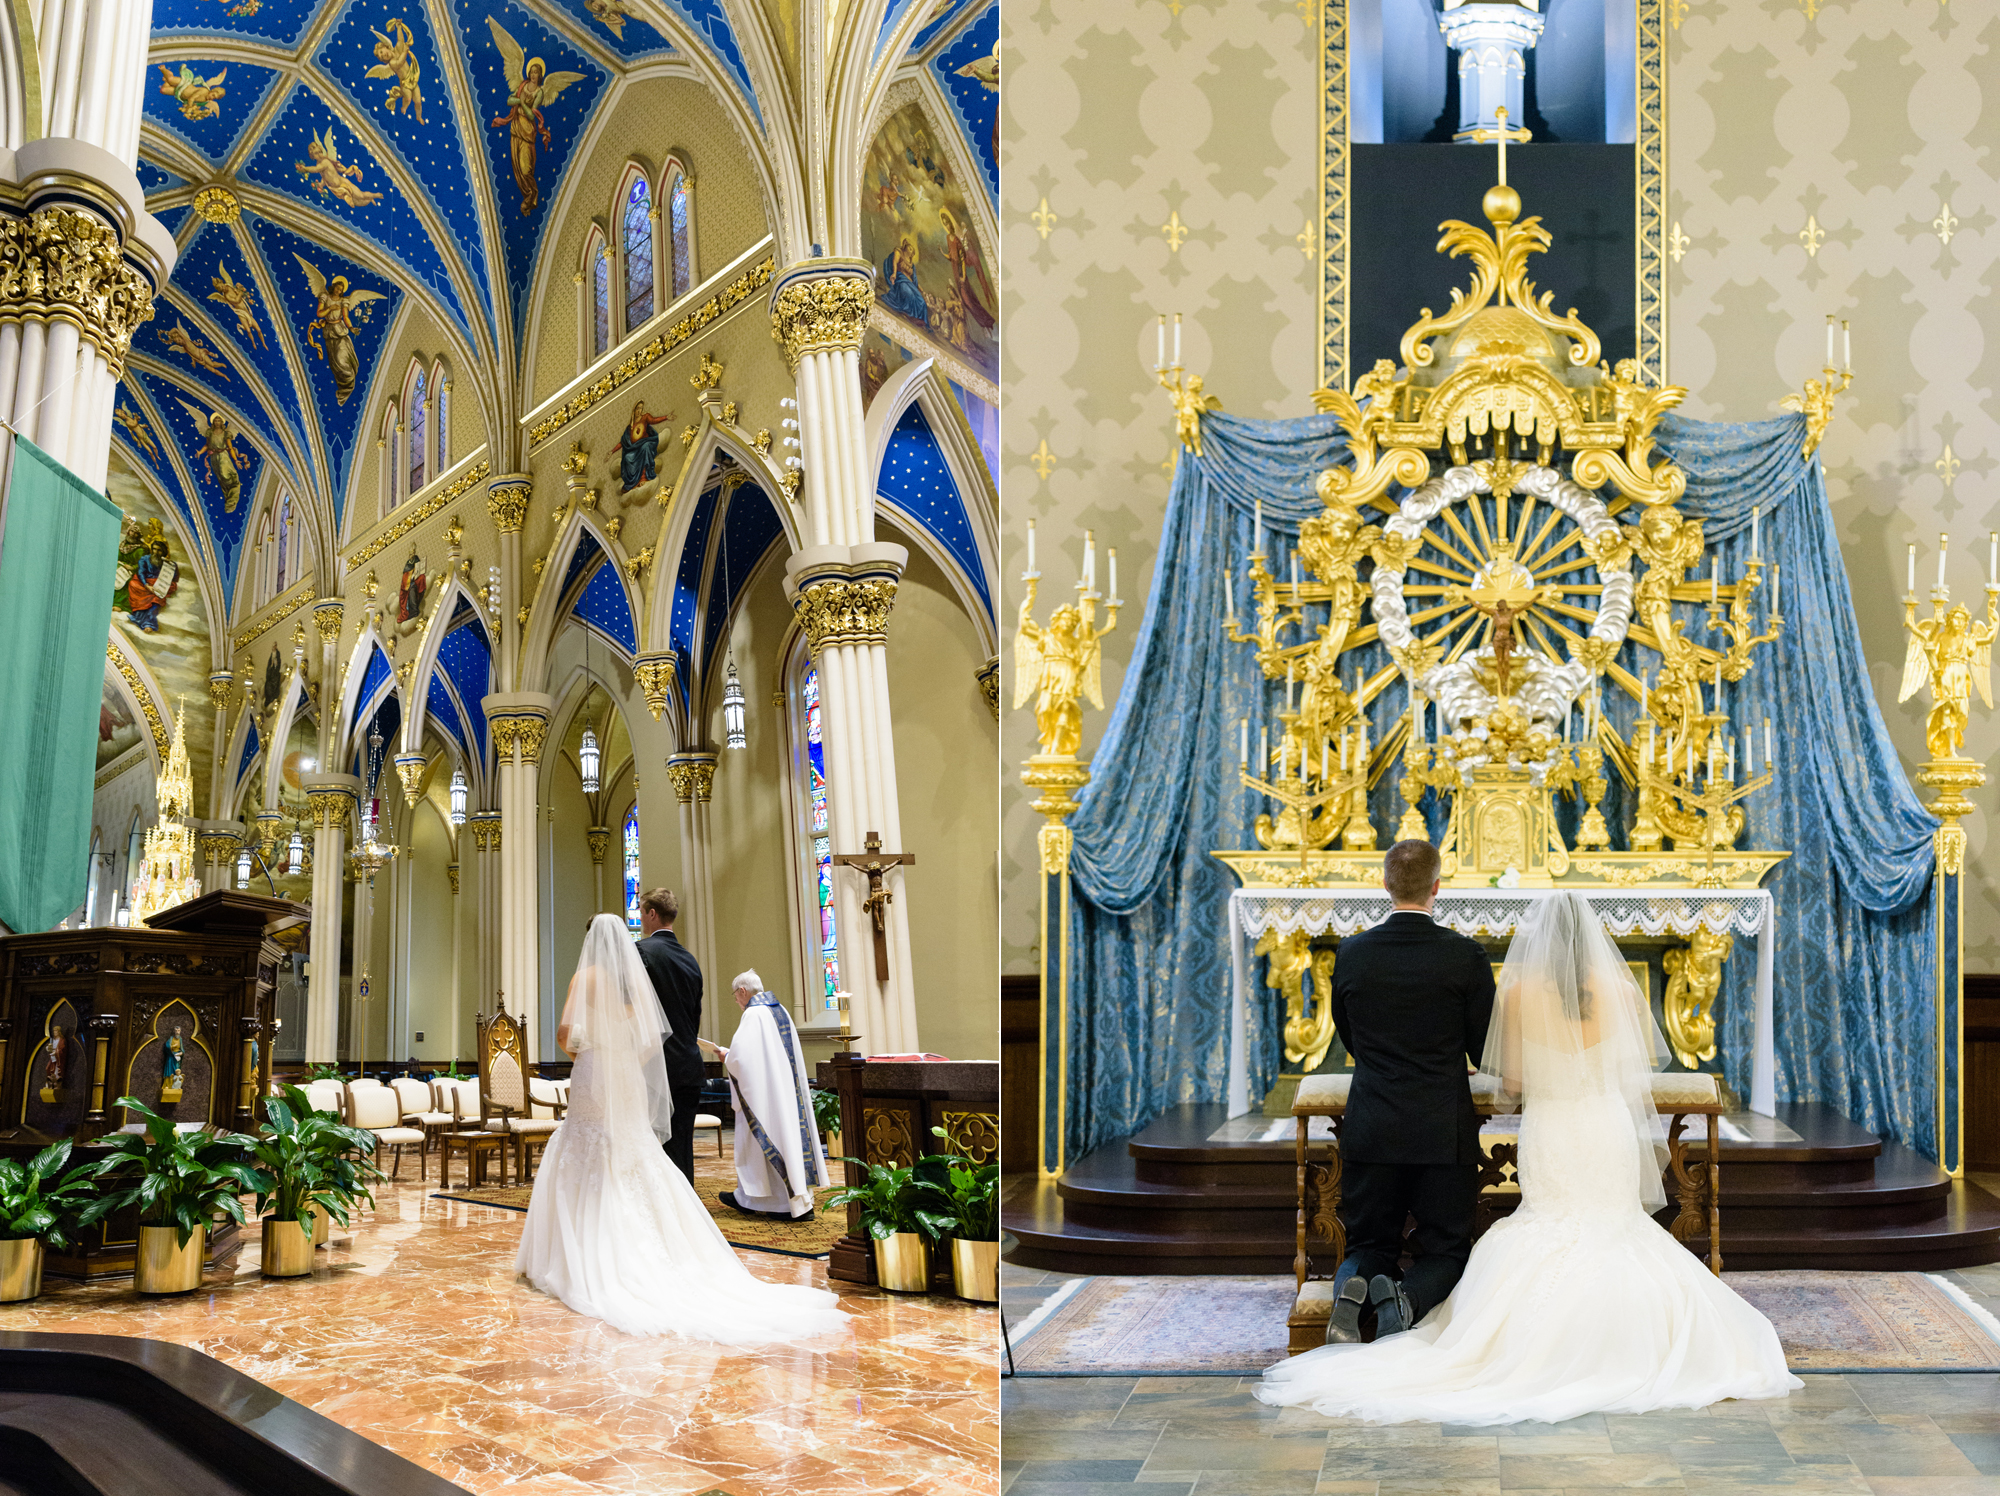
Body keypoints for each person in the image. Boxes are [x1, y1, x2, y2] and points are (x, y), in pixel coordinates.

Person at [1259, 889, 1800, 1424]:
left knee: (1546, 1224)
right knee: (1617, 1224)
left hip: (1553, 1126)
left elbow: (1512, 1083)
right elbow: (1633, 1070)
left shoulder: (1518, 990)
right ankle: (1624, 1338)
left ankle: (1376, 1294)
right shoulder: (1621, 986)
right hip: (1605, 1124)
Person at [516, 915, 849, 1343]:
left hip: (593, 1073)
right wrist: (623, 1062)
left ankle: (579, 1252)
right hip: (625, 1075)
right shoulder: (633, 982)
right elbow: (650, 1041)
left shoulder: (584, 977)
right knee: (632, 1150)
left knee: (586, 1145)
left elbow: (566, 1036)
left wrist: (591, 1045)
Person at [1314, 839, 1495, 1344]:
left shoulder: (1352, 953)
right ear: (1437, 886)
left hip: (1372, 1122)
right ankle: (1406, 1300)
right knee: (1446, 1250)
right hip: (1442, 1126)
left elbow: (1349, 1036)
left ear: (1385, 884)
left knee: (1371, 1240)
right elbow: (1485, 1050)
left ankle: (1351, 1287)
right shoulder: (1465, 955)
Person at [702, 971, 827, 1221]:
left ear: (742, 992)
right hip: (784, 1096)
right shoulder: (779, 1010)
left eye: (735, 996)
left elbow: (742, 1060)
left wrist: (726, 1056)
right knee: (788, 1143)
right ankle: (794, 1200)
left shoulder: (753, 1014)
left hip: (763, 1100)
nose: (736, 1002)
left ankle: (768, 1202)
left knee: (759, 1144)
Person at [633, 888, 704, 1184]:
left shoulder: (641, 952)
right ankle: (686, 1216)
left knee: (655, 1151)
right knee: (681, 1150)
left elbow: (633, 1012)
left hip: (657, 1068)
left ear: (651, 914)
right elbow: (694, 1016)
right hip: (690, 1066)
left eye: (641, 912)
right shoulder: (690, 960)